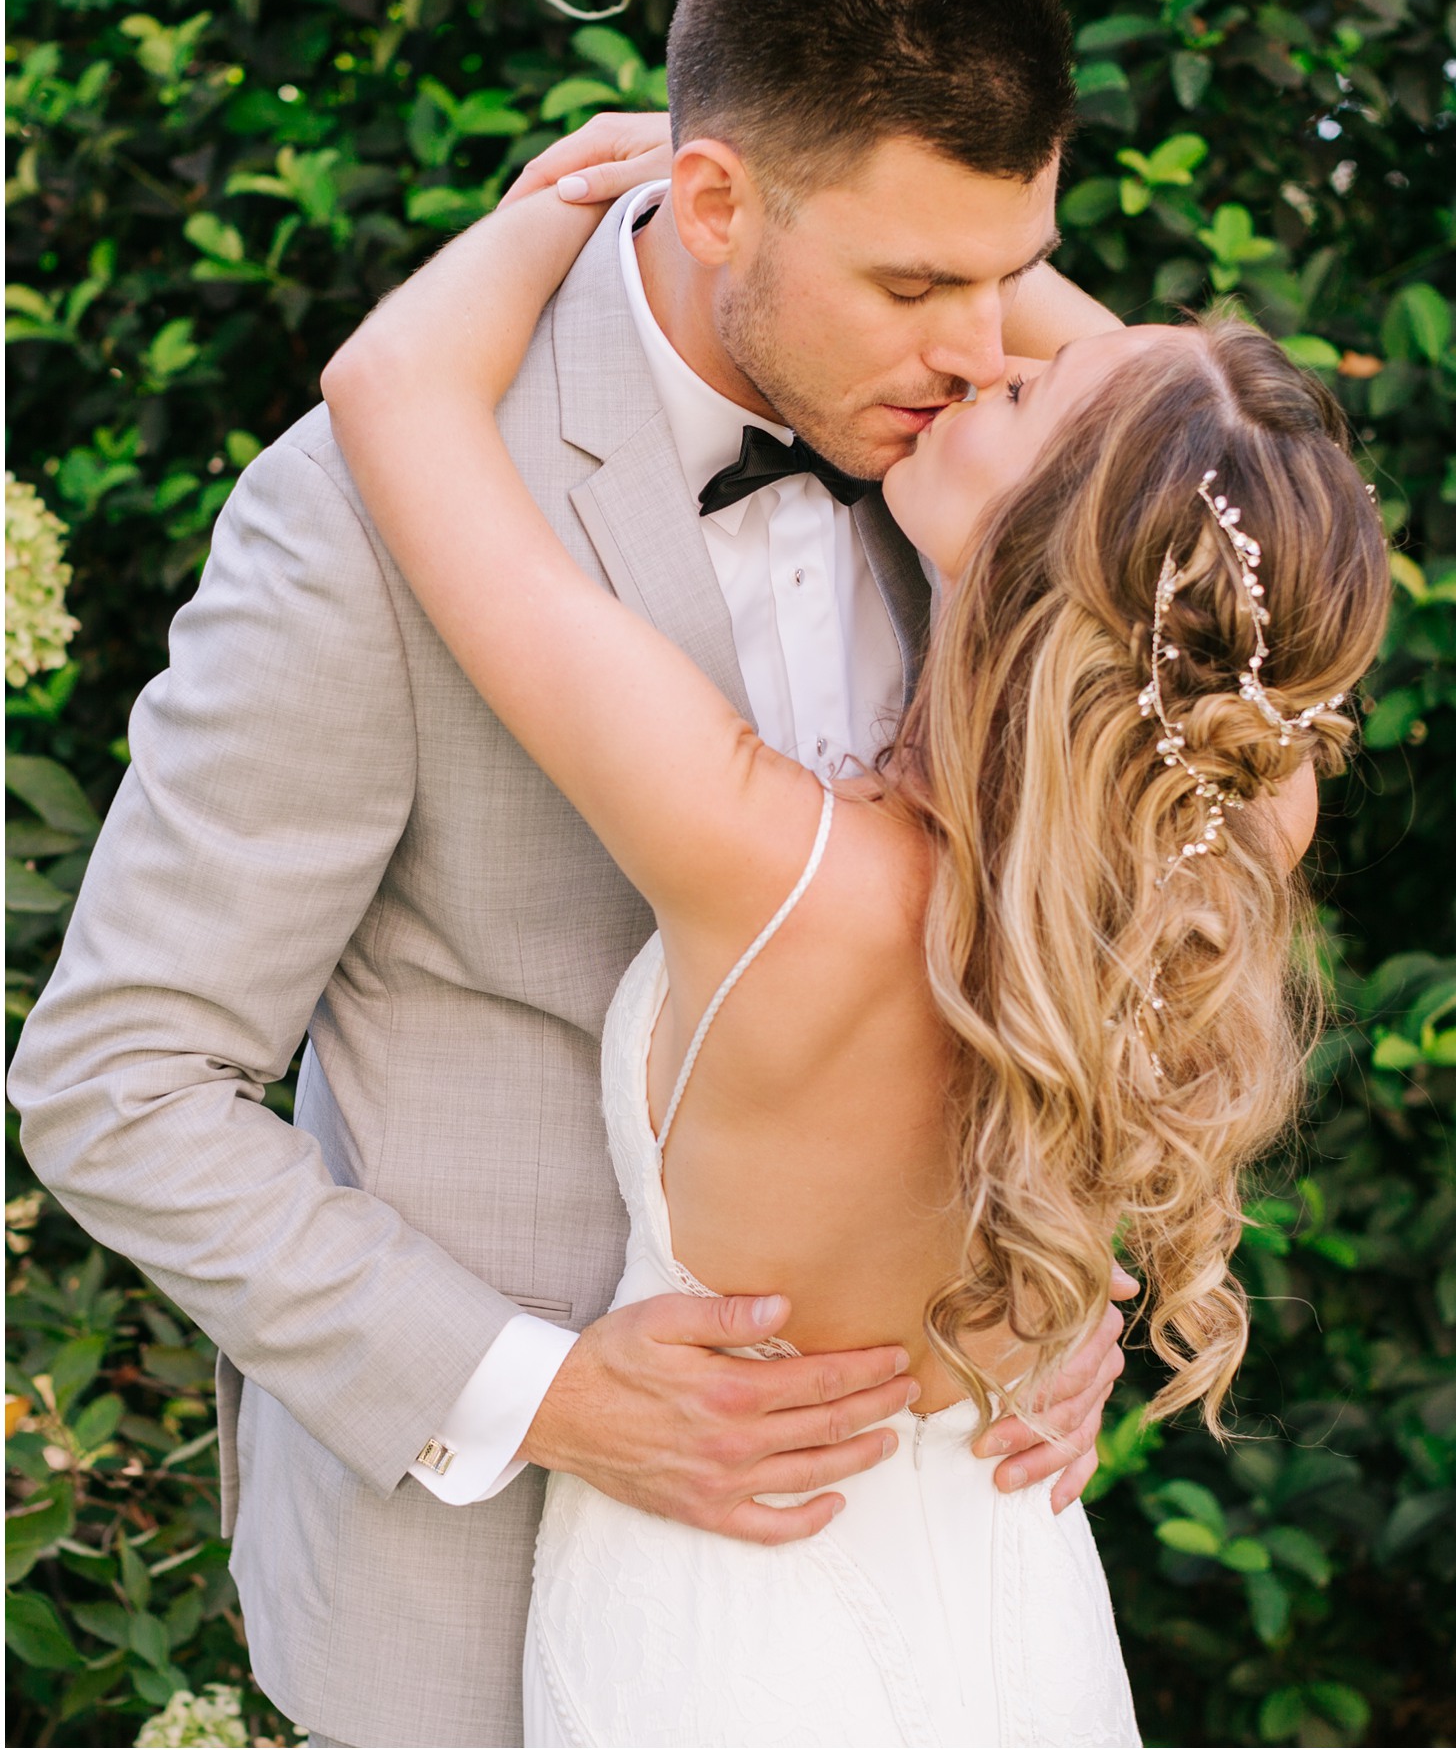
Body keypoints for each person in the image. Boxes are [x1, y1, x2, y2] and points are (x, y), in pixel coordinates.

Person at [9, 0, 1136, 1749]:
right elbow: (116, 1077)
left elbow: (1089, 922)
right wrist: (541, 1392)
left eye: (1015, 272)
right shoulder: (374, 514)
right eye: (916, 283)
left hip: (951, 1559)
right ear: (711, 202)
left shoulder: (1018, 473)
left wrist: (1061, 1269)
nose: (982, 346)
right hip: (499, 1603)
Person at [321, 126, 1390, 1747]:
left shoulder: (778, 867)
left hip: (714, 1634)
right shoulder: (1234, 827)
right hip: (1006, 1605)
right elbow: (1198, 498)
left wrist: (615, 196)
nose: (981, 354)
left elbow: (390, 389)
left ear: (1040, 552)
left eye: (1019, 385)